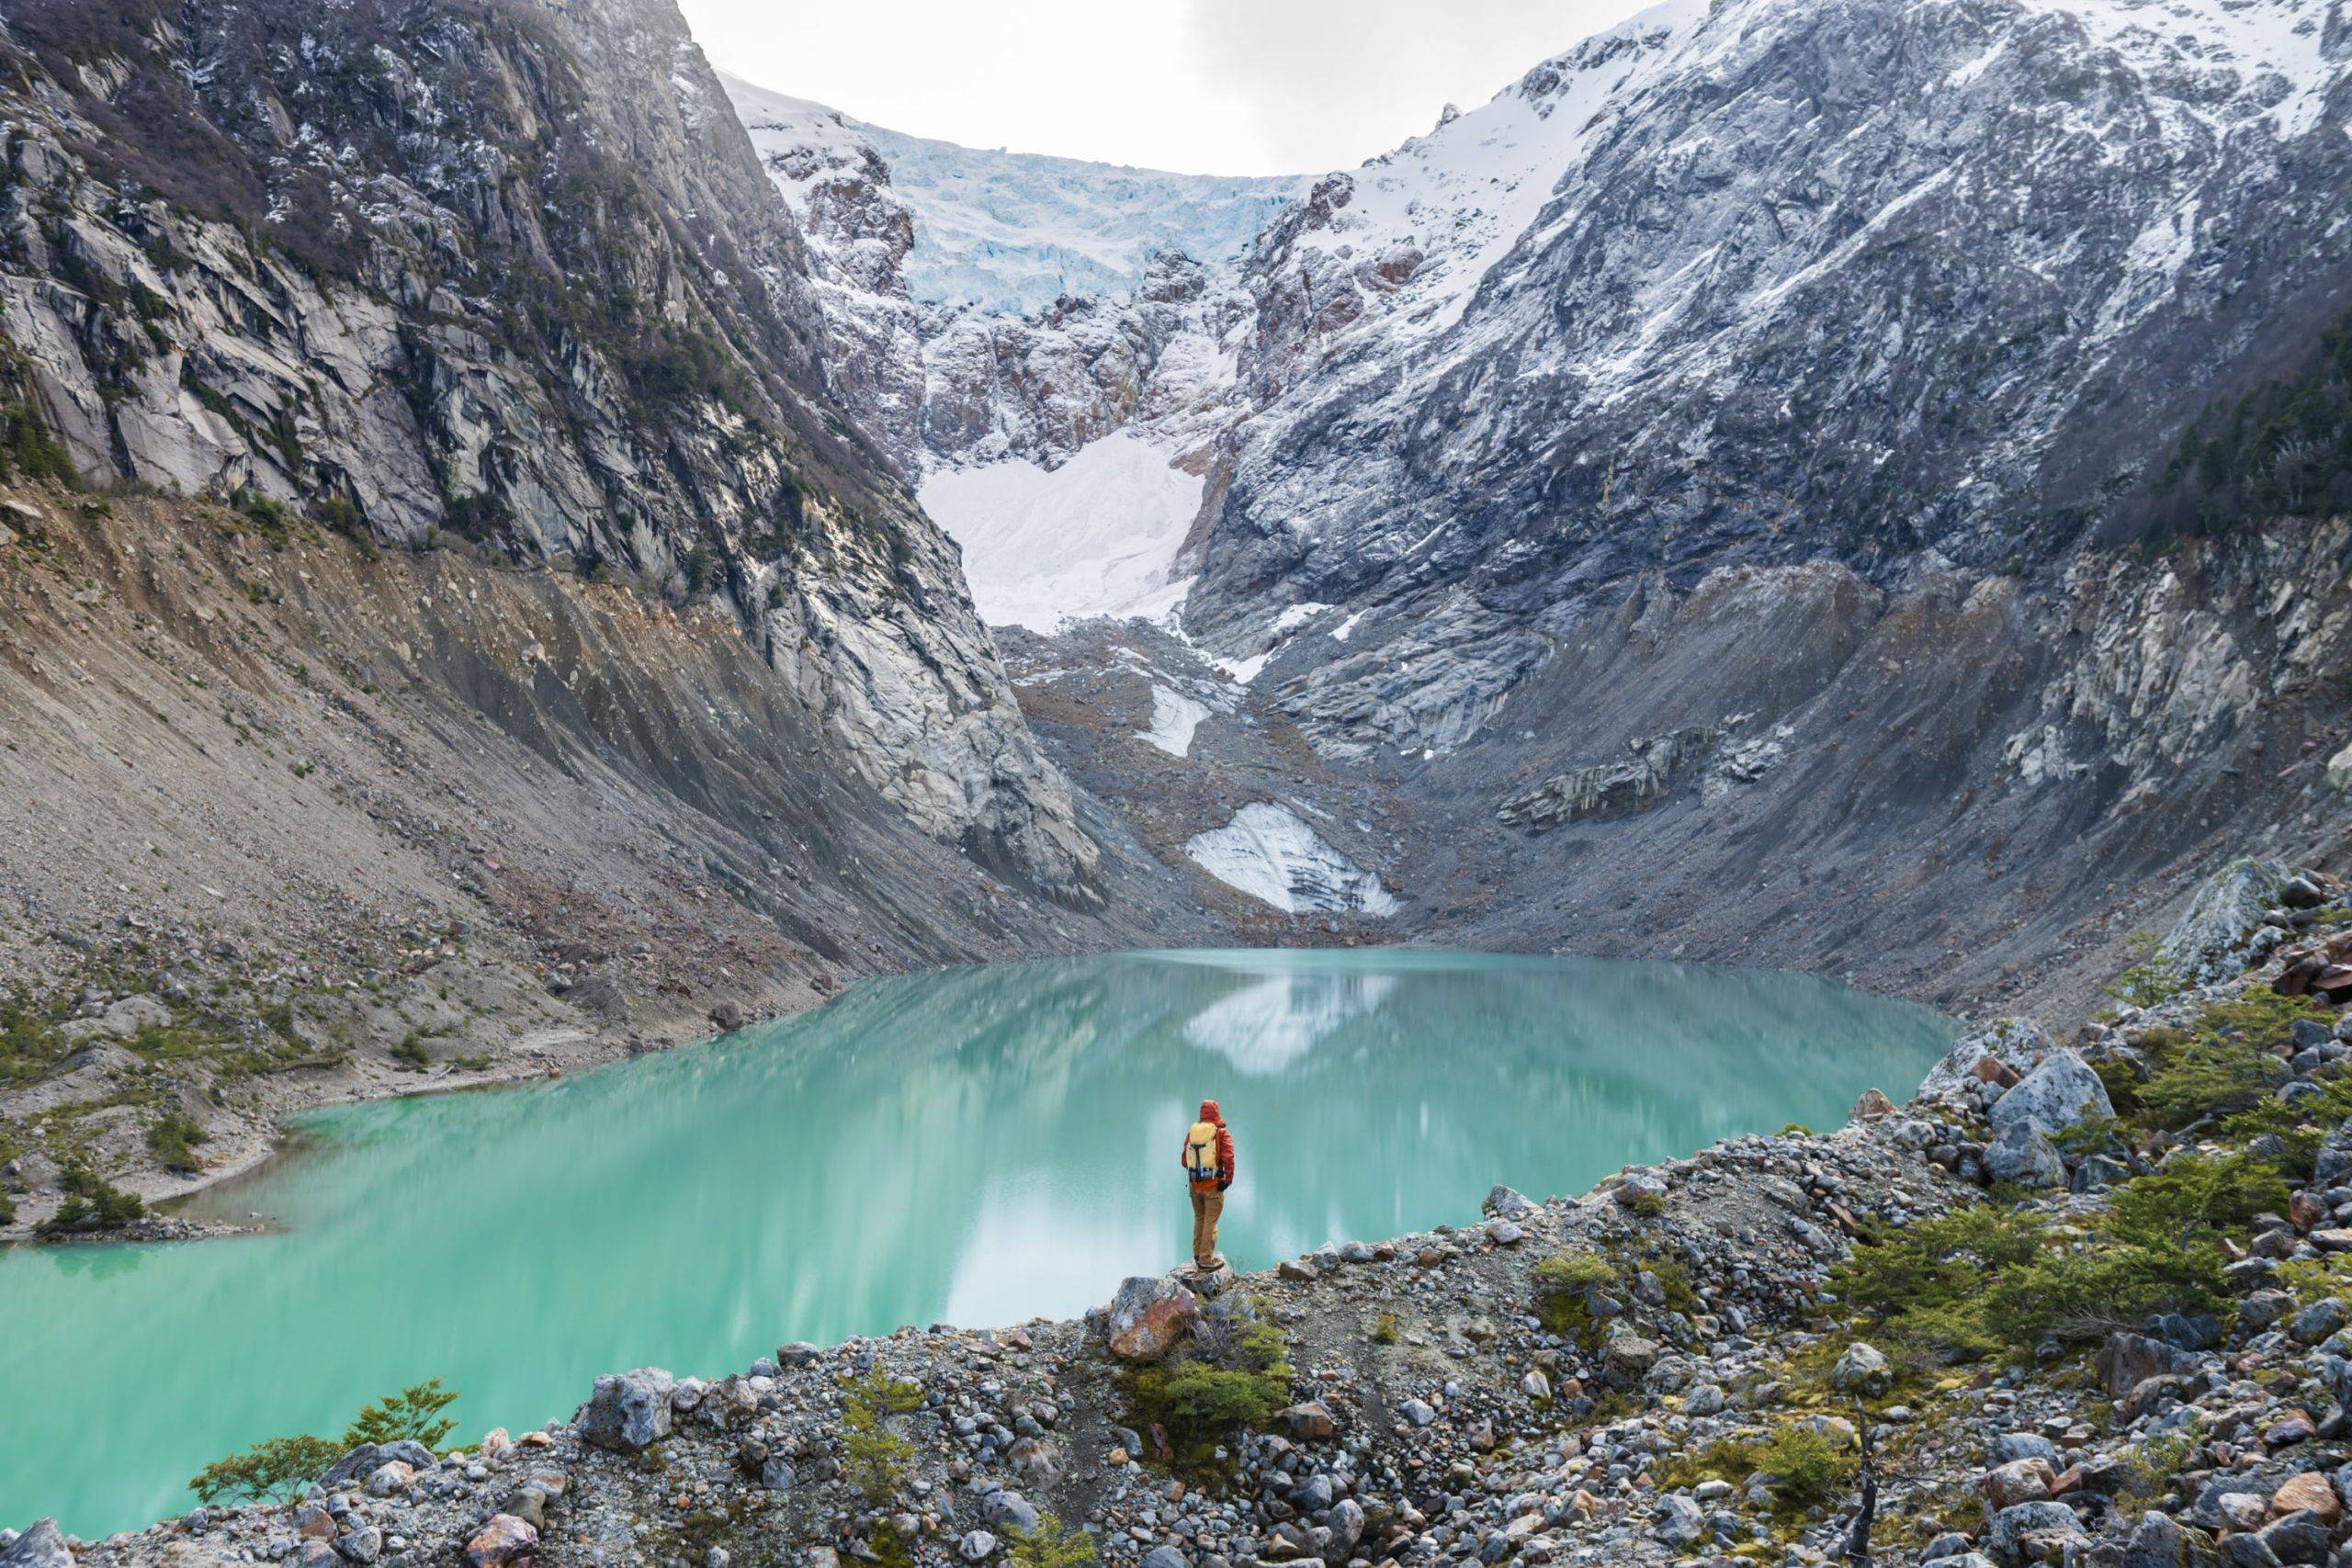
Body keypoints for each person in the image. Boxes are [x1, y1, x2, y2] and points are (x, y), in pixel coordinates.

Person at [1181, 1099, 1236, 1271]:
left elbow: (1184, 1161)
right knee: (1210, 1222)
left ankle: (1197, 1254)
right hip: (1213, 1186)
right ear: (1216, 1113)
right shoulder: (1221, 1133)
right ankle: (1205, 1260)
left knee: (1199, 1218)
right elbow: (1229, 1158)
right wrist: (1227, 1180)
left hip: (1194, 1186)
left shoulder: (1193, 1132)